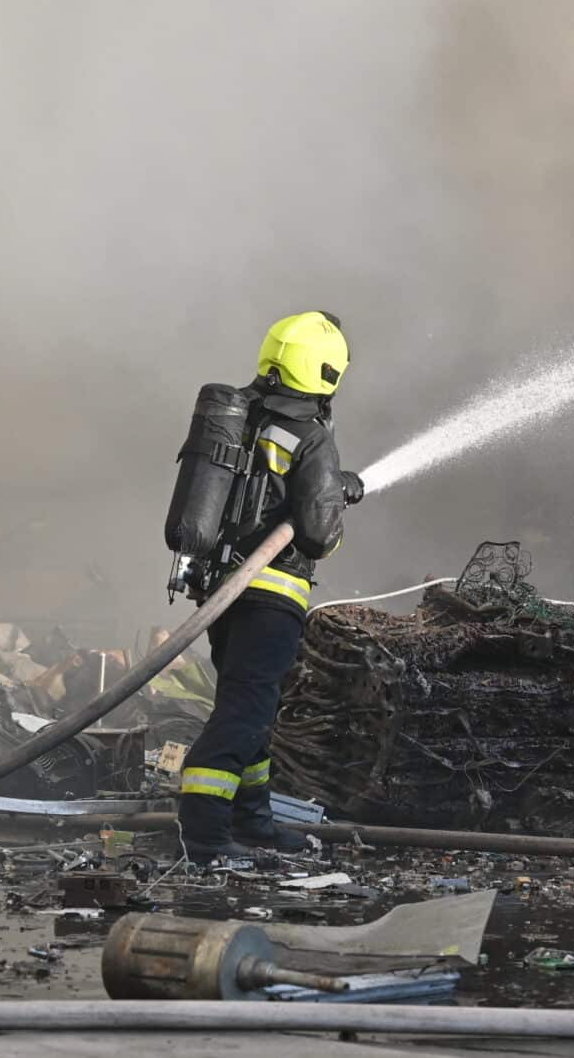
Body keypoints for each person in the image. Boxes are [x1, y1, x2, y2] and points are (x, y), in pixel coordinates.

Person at [176, 311, 363, 861]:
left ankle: (252, 823)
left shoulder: (240, 419)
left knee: (252, 708)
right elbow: (319, 536)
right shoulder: (311, 437)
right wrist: (338, 495)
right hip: (271, 596)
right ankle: (205, 834)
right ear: (327, 372)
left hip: (221, 592)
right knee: (244, 714)